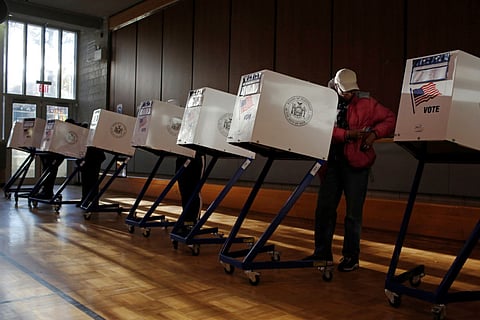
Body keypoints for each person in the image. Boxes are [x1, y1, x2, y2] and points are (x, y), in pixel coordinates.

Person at [304, 68, 396, 272]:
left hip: (357, 165)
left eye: (350, 91)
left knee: (353, 215)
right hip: (332, 165)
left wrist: (373, 134)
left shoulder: (367, 104)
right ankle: (322, 254)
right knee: (324, 210)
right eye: (344, 90)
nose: (348, 94)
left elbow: (390, 119)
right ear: (335, 86)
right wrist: (346, 135)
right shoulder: (325, 104)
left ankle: (351, 258)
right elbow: (320, 127)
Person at [34, 118, 76, 199]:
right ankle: (46, 191)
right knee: (49, 171)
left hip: (57, 155)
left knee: (50, 172)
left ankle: (47, 192)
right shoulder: (65, 133)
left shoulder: (69, 134)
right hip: (55, 154)